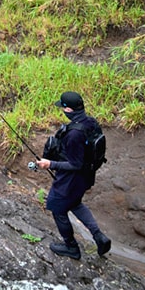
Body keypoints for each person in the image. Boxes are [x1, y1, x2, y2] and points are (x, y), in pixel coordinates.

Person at [36, 91, 112, 259]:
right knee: (75, 203)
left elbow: (75, 164)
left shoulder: (74, 134)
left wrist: (50, 164)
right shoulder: (91, 122)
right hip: (86, 176)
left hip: (71, 179)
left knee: (57, 208)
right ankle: (99, 237)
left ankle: (71, 248)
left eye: (63, 108)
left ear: (68, 110)